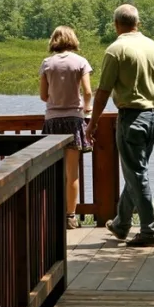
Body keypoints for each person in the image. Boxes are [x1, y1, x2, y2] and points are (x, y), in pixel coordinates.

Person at [85, 4, 154, 247]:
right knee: (136, 172)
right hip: (153, 116)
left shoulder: (116, 50)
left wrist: (92, 124)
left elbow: (102, 92)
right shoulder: (153, 46)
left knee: (137, 174)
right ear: (138, 23)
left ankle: (149, 231)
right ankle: (121, 224)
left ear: (116, 25)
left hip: (132, 118)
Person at [40, 26, 94, 230]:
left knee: (54, 171)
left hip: (53, 121)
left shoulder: (47, 63)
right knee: (72, 173)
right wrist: (87, 108)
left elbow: (43, 96)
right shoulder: (81, 62)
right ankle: (70, 216)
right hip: (74, 120)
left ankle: (52, 215)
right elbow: (87, 92)